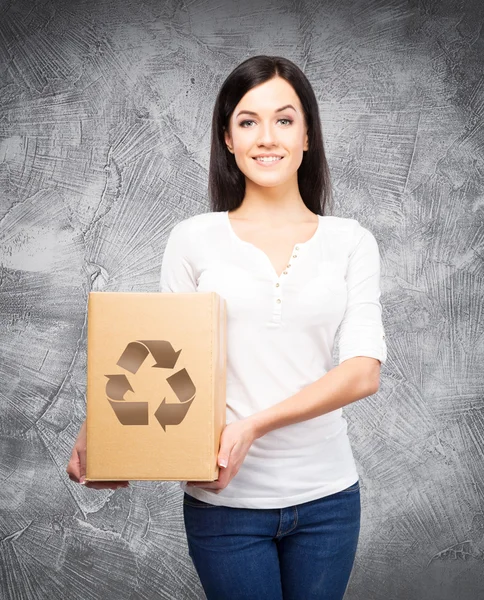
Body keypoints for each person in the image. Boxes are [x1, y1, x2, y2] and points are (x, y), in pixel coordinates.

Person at [67, 55, 387, 600]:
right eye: (248, 121)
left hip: (329, 499)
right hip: (224, 506)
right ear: (228, 140)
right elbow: (163, 353)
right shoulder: (194, 238)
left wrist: (252, 427)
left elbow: (362, 372)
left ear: (307, 135)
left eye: (284, 120)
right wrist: (106, 427)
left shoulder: (351, 241)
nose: (267, 137)